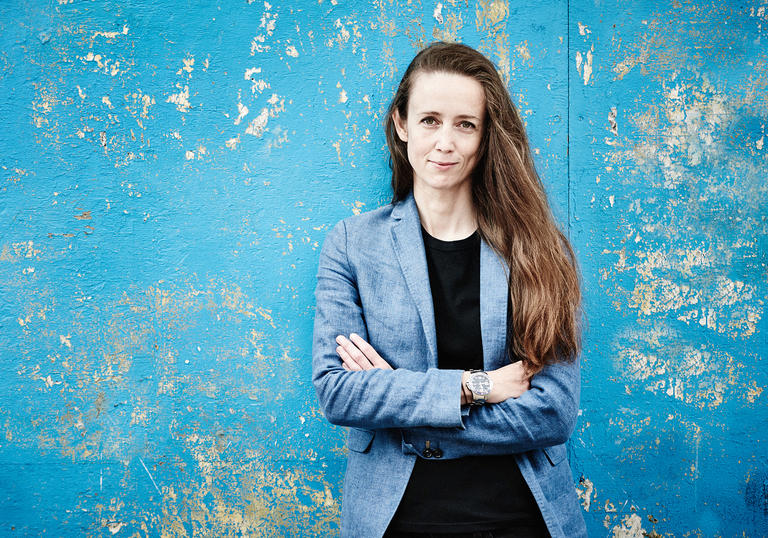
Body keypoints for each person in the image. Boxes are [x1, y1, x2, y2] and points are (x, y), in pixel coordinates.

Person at [312, 42, 586, 538]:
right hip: (397, 520)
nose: (445, 142)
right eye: (429, 120)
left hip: (520, 518)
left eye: (465, 124)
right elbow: (337, 392)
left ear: (485, 136)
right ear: (401, 123)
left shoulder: (539, 250)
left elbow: (553, 413)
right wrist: (475, 387)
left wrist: (410, 423)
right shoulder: (353, 243)